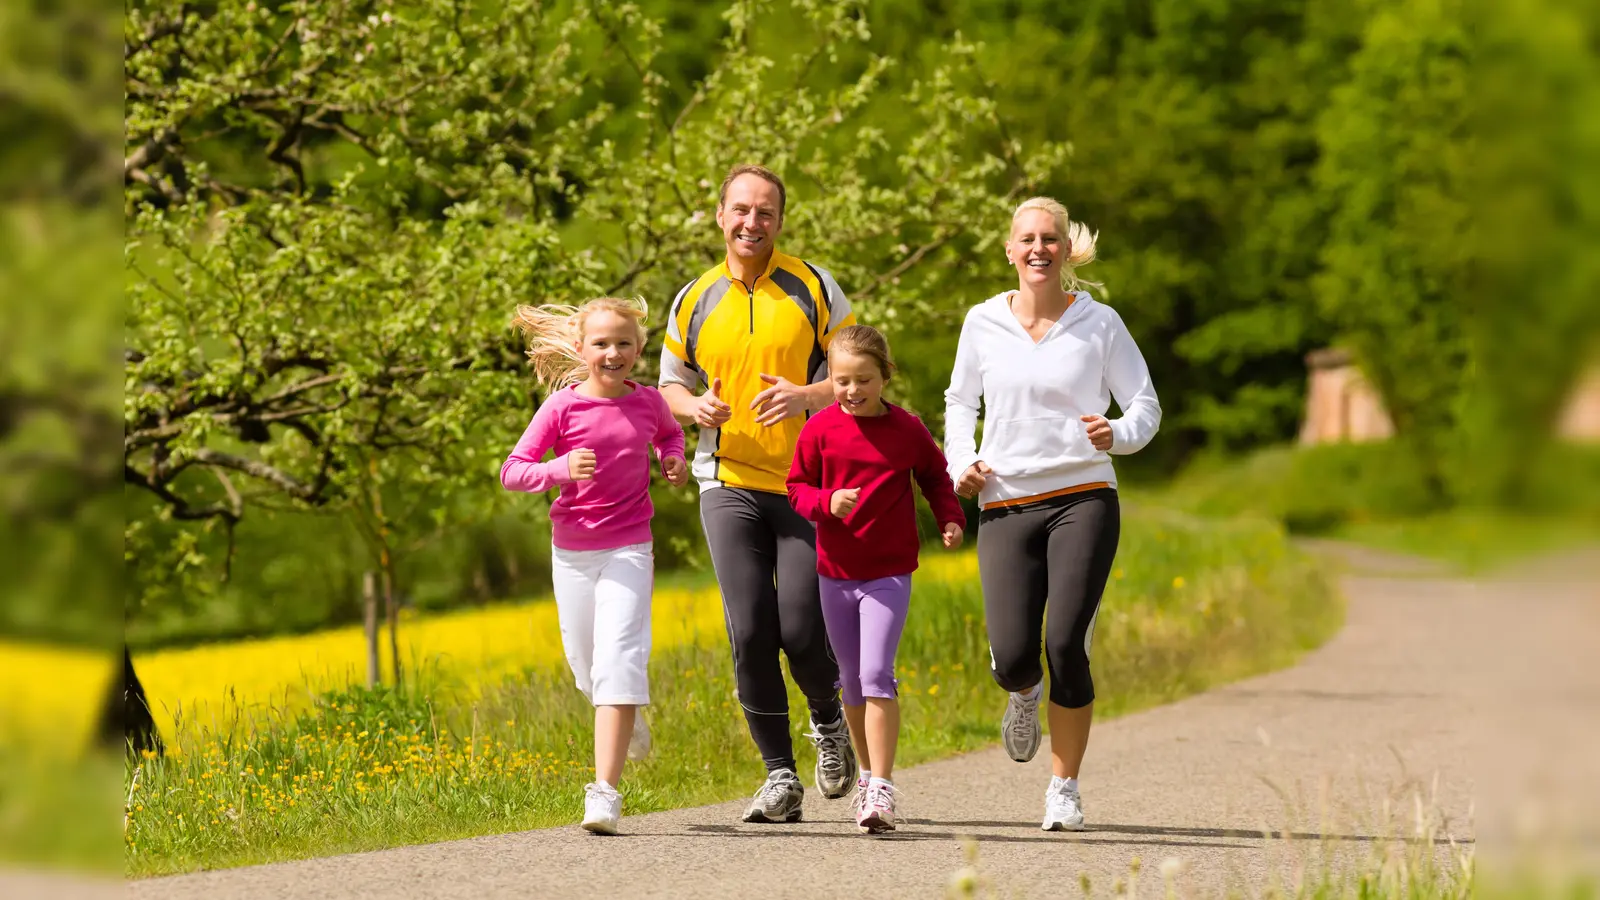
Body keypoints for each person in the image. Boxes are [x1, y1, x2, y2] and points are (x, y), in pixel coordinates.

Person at [943, 197, 1161, 832]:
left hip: (1084, 496)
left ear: (1068, 250)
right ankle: (1023, 692)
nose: (1039, 248)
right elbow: (960, 401)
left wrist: (1114, 435)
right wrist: (963, 460)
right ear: (1010, 251)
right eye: (1027, 239)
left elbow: (1144, 406)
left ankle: (1063, 787)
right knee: (1014, 655)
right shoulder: (982, 322)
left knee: (1065, 642)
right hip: (1005, 499)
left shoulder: (1101, 323)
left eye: (1051, 238)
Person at [658, 164, 859, 823]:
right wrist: (695, 410)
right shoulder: (693, 298)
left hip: (808, 484)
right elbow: (669, 385)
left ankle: (829, 720)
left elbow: (861, 375)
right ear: (720, 216)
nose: (752, 222)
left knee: (801, 627)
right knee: (749, 628)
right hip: (728, 482)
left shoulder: (813, 286)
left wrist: (806, 396)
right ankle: (779, 777)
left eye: (765, 212)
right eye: (740, 209)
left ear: (780, 220)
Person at [500, 297, 689, 835]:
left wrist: (671, 460)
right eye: (602, 344)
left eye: (624, 343)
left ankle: (604, 792)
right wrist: (558, 468)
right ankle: (626, 721)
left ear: (640, 348)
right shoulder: (561, 408)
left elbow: (669, 435)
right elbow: (512, 471)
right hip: (574, 553)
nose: (613, 353)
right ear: (581, 350)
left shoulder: (650, 402)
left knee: (620, 656)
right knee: (585, 665)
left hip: (631, 545)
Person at [785, 324, 966, 834]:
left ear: (885, 375)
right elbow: (796, 488)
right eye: (842, 380)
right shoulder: (818, 429)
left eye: (863, 380)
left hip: (887, 573)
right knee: (850, 682)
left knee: (877, 674)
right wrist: (826, 503)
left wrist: (951, 516)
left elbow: (935, 475)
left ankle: (882, 787)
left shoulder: (907, 429)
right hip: (835, 574)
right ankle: (866, 775)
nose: (852, 391)